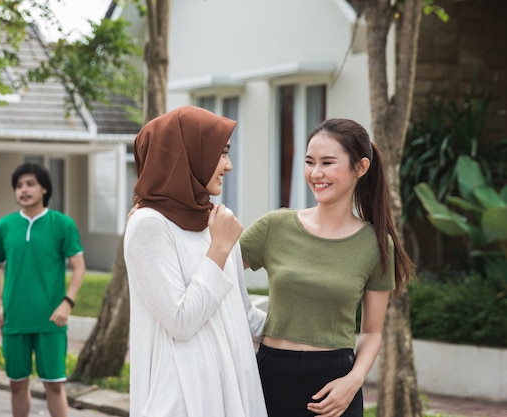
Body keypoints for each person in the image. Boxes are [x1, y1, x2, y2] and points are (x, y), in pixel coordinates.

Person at [240, 118, 415, 417]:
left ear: (360, 168)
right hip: (269, 377)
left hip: (335, 387)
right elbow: (216, 274)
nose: (315, 173)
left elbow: (372, 332)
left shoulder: (375, 245)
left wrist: (353, 381)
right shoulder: (274, 226)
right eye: (309, 162)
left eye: (327, 163)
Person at [124, 106, 268, 417]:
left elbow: (242, 314)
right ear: (185, 154)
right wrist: (219, 248)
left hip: (231, 388)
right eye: (221, 153)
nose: (228, 166)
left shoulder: (216, 221)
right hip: (183, 396)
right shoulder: (149, 225)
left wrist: (311, 333)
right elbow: (180, 320)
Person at [0, 162, 85, 417]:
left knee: (54, 385)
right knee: (16, 384)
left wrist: (67, 302)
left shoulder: (62, 224)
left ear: (44, 188)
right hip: (15, 319)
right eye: (19, 186)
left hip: (51, 320)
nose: (24, 190)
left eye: (30, 184)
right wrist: (0, 304)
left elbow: (79, 267)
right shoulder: (4, 226)